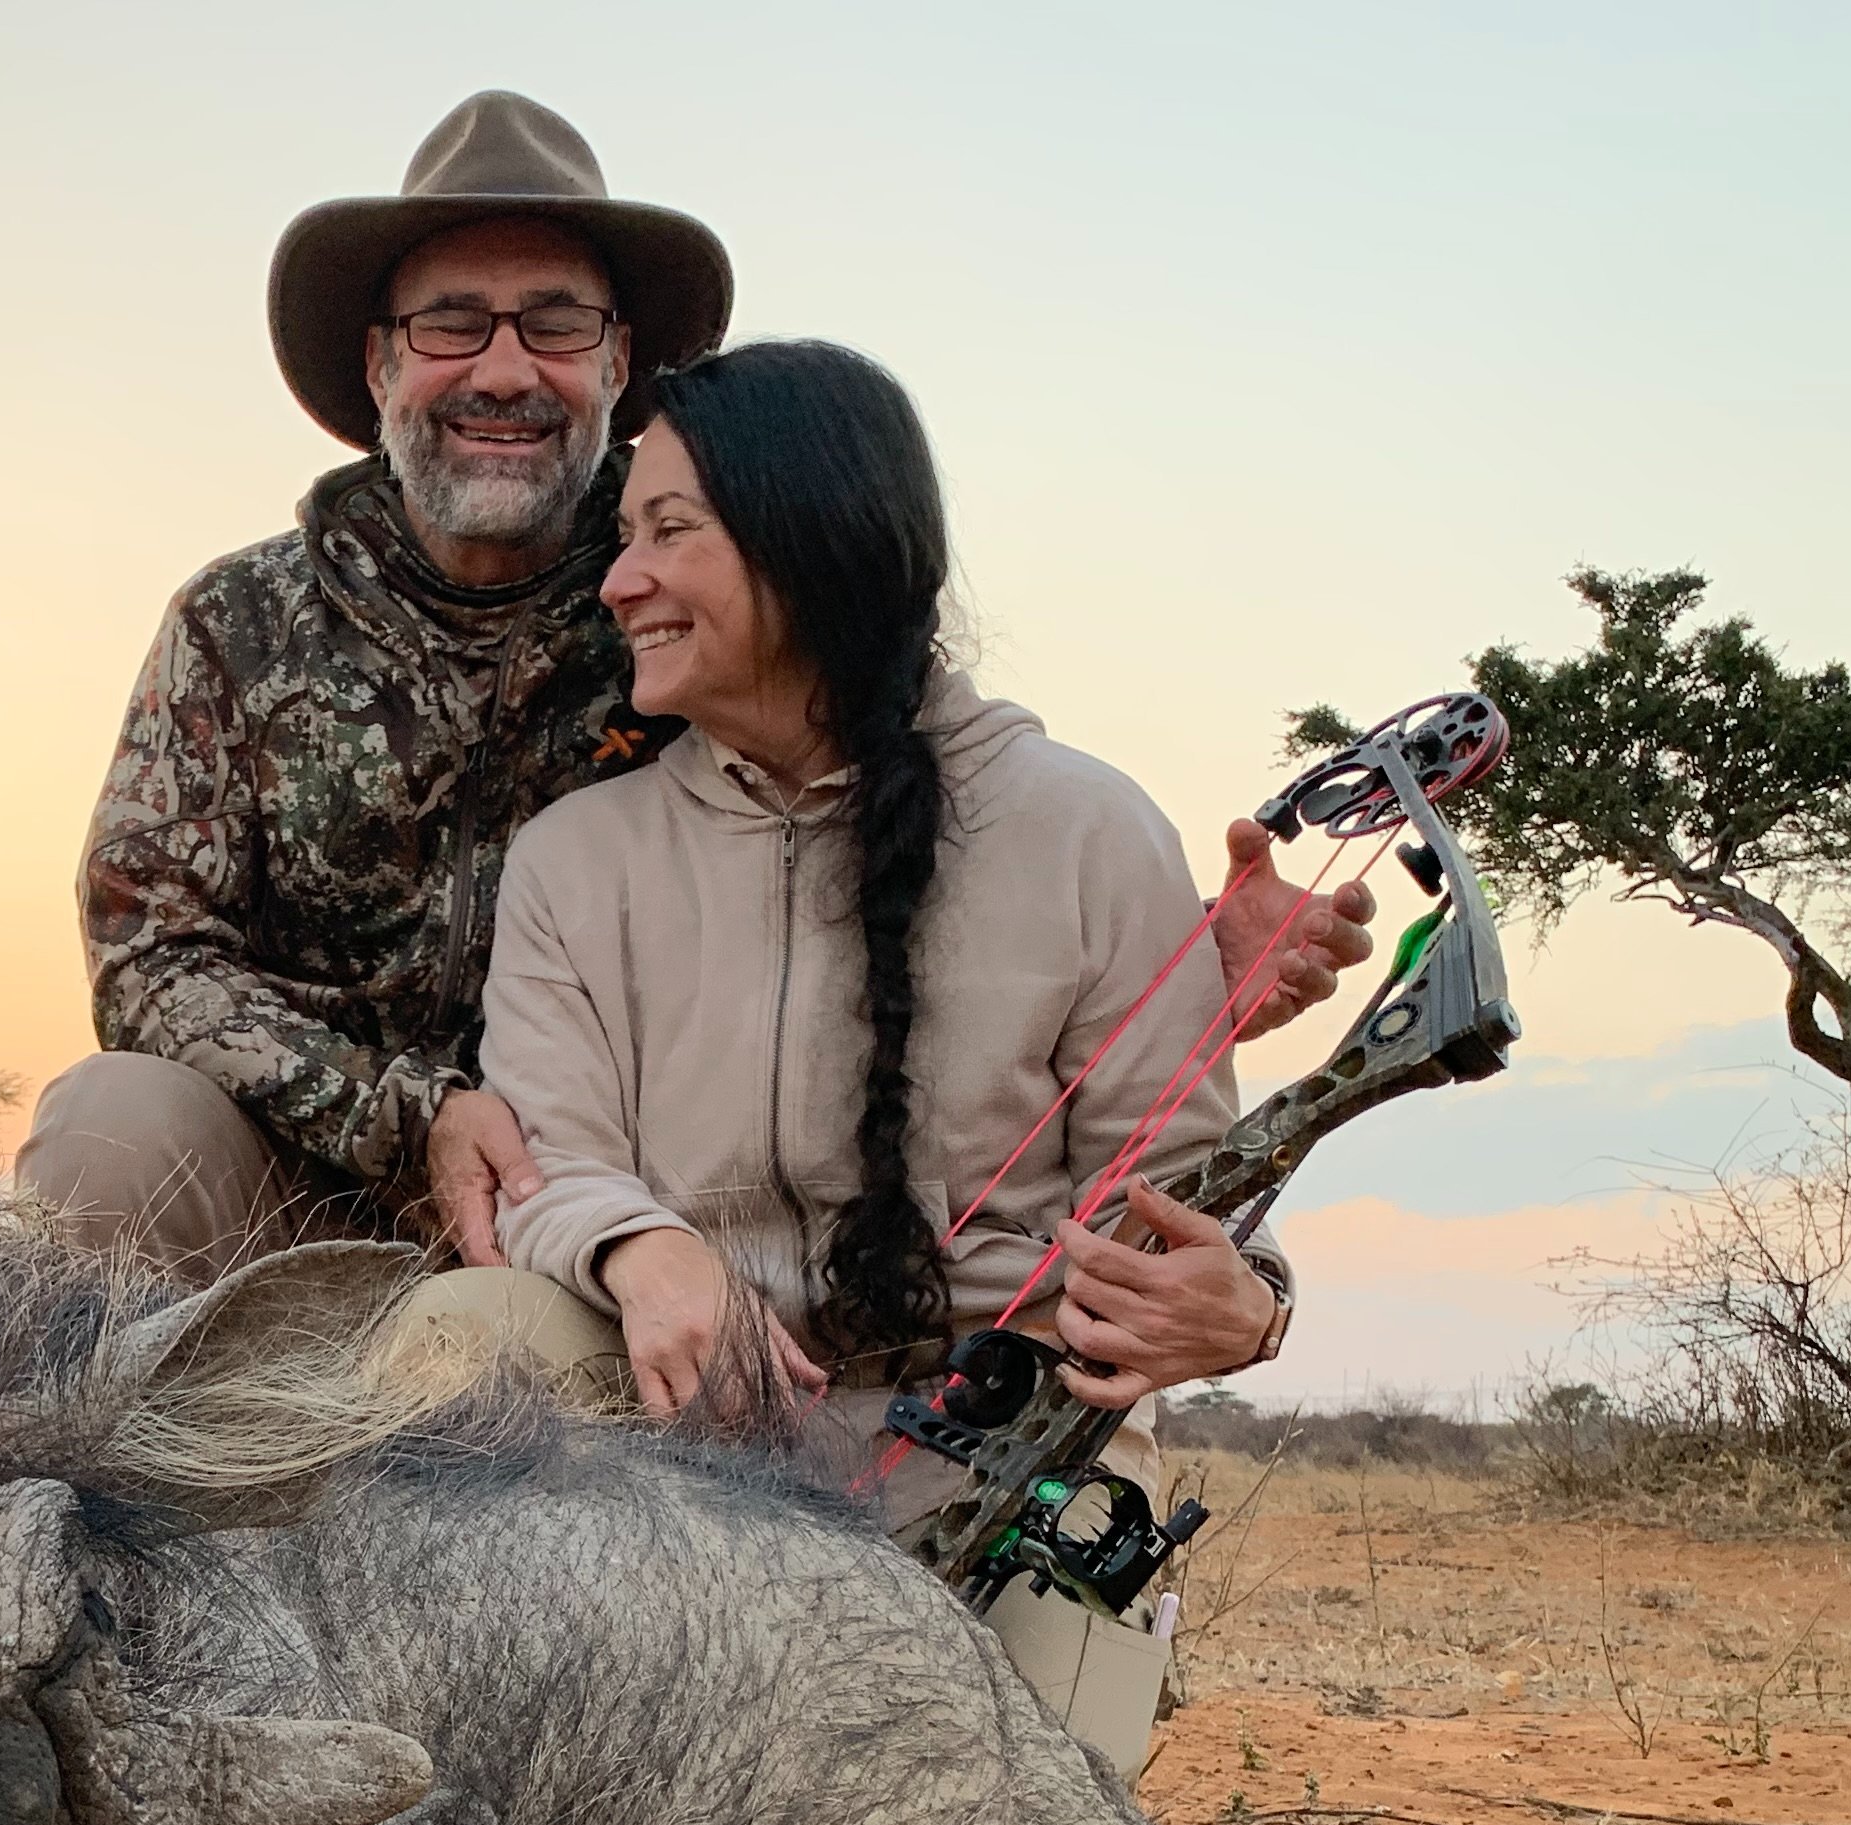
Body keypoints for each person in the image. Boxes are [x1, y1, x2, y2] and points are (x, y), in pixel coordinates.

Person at [17, 90, 1374, 1282]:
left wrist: (1162, 967)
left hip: (610, 1195)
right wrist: (405, 1111)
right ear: (379, 366)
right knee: (109, 1127)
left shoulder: (716, 586)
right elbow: (150, 958)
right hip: (307, 1175)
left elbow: (888, 772)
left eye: (554, 325)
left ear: (618, 365)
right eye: (450, 325)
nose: (503, 369)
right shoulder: (234, 622)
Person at [410, 338, 1290, 1468]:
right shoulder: (574, 858)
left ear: (813, 542)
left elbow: (1175, 1207)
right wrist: (641, 1248)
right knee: (464, 1331)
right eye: (624, 538)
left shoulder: (1092, 830)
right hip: (682, 1428)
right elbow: (549, 1165)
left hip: (998, 1448)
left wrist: (1254, 1302)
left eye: (669, 532)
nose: (620, 583)